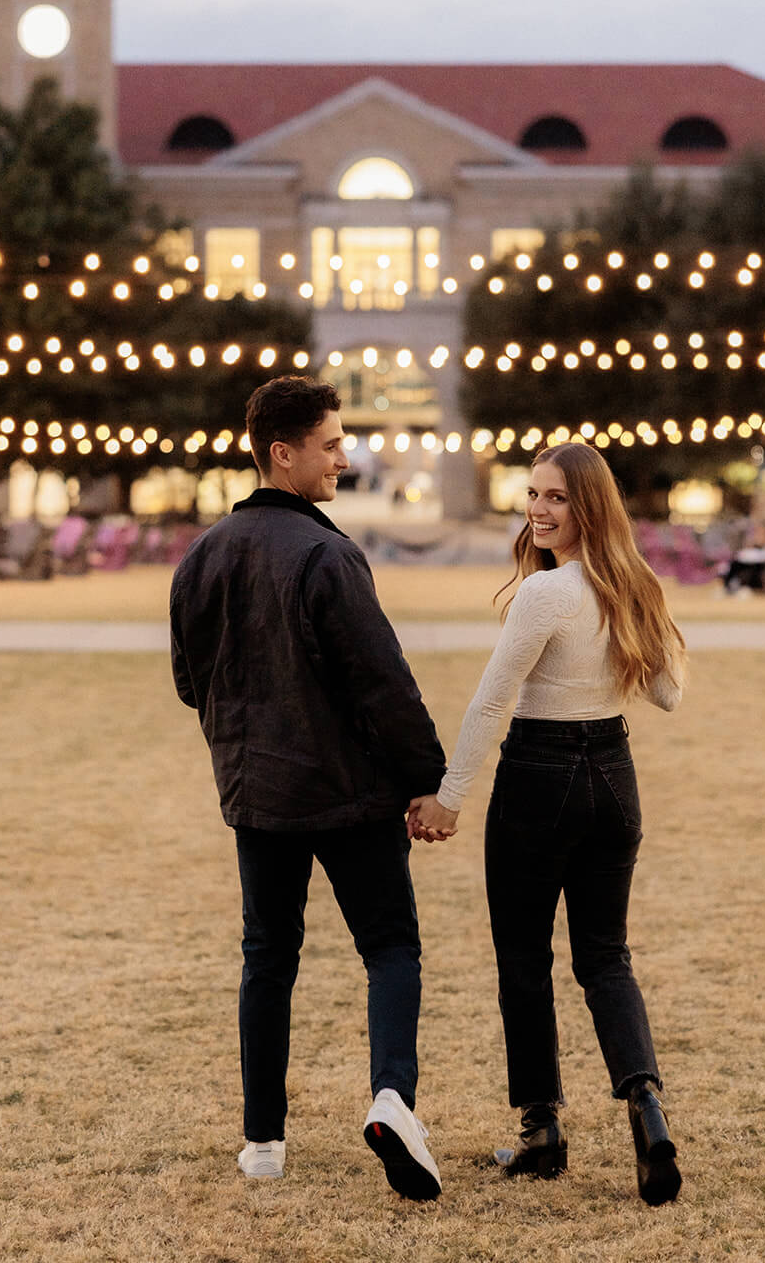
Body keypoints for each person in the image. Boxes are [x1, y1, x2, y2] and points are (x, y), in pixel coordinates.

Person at [169, 376, 447, 1200]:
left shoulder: (202, 556)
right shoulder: (326, 554)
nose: (344, 456)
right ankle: (392, 1099)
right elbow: (382, 683)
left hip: (256, 793)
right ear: (280, 454)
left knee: (268, 956)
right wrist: (425, 779)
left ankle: (262, 1141)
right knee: (390, 947)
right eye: (330, 444)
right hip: (349, 793)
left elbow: (192, 683)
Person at [411, 441, 686, 1204]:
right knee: (605, 957)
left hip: (540, 776)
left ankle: (542, 1132)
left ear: (586, 507)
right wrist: (646, 615)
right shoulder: (634, 583)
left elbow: (491, 700)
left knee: (524, 958)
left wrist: (450, 795)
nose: (536, 509)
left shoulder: (547, 595)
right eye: (531, 494)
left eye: (556, 497)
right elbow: (667, 695)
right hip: (613, 776)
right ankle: (646, 1108)